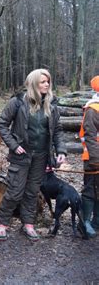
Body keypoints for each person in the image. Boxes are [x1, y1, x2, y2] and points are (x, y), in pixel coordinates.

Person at [0, 69, 66, 241]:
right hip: (21, 155)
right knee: (14, 191)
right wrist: (14, 145)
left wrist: (61, 150)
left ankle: (28, 224)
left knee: (32, 192)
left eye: (48, 81)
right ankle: (2, 224)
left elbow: (57, 130)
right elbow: (2, 124)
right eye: (42, 82)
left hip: (41, 156)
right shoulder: (18, 102)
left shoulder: (52, 104)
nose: (47, 84)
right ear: (33, 83)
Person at [79, 75, 99, 238]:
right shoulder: (93, 109)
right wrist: (95, 159)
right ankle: (84, 222)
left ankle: (97, 221)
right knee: (90, 190)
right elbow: (90, 136)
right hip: (93, 158)